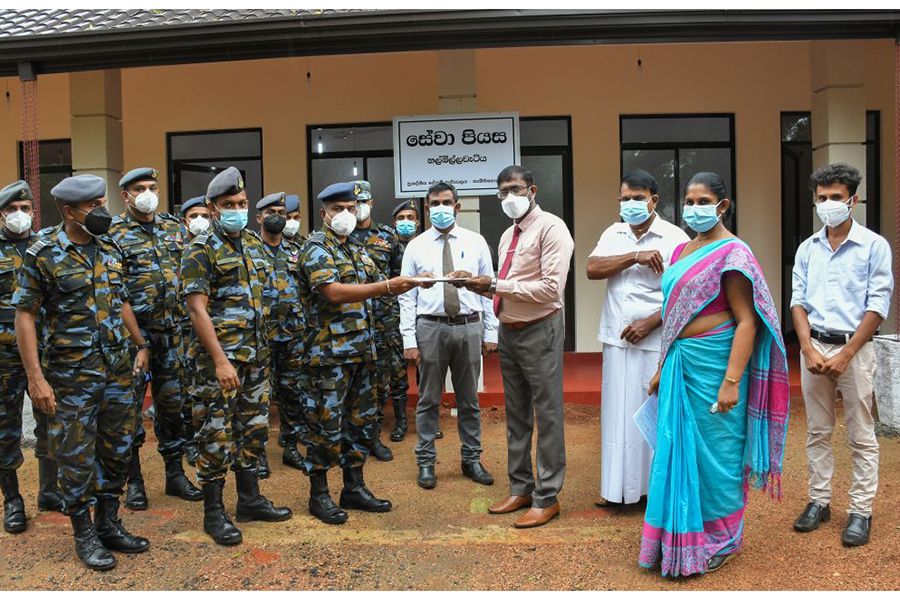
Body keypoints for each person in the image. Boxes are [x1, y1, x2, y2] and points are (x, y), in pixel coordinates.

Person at [639, 172, 789, 576]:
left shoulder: (734, 254)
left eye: (703, 201)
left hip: (716, 365)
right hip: (680, 363)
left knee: (718, 457)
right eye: (689, 201)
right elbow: (672, 316)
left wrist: (731, 381)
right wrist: (660, 367)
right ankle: (677, 539)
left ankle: (722, 540)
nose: (694, 209)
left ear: (722, 206)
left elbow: (747, 321)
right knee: (674, 451)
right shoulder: (680, 252)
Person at [14, 174, 152, 571]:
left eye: (102, 203)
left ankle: (108, 523)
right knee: (75, 456)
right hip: (72, 375)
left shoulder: (109, 247)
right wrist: (35, 377)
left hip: (117, 370)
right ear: (69, 211)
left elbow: (121, 299)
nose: (102, 212)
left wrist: (140, 343)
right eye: (93, 206)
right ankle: (84, 532)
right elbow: (25, 316)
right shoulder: (43, 253)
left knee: (117, 449)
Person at [296, 181, 420, 524]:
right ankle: (318, 495)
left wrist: (414, 280)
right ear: (324, 214)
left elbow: (382, 283)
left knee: (360, 424)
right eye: (339, 209)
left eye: (352, 208)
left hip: (363, 352)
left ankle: (353, 487)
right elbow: (333, 292)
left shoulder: (356, 248)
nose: (347, 215)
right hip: (328, 356)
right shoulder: (316, 248)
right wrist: (386, 286)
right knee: (325, 427)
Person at [181, 167, 292, 546]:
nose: (237, 210)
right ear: (212, 208)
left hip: (256, 357)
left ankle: (250, 500)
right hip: (219, 362)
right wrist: (220, 361)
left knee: (253, 429)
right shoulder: (199, 249)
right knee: (215, 434)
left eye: (242, 204)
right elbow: (197, 310)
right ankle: (214, 513)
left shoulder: (253, 244)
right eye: (229, 204)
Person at [464, 165, 574, 529]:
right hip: (510, 331)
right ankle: (521, 488)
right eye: (502, 192)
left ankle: (547, 497)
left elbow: (549, 290)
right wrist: (484, 287)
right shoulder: (509, 235)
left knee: (548, 413)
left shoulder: (552, 228)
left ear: (532, 189)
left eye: (515, 189)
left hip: (540, 329)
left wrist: (494, 285)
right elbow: (508, 283)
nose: (509, 198)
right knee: (517, 415)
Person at [790, 163, 893, 547]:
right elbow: (797, 302)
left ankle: (860, 511)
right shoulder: (807, 248)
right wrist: (807, 346)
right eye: (821, 198)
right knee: (817, 430)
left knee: (861, 433)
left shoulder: (874, 246)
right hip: (814, 348)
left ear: (852, 199)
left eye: (835, 197)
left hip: (856, 350)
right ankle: (820, 501)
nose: (828, 204)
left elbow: (878, 305)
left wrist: (847, 353)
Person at [586, 170, 689, 506]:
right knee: (616, 416)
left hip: (653, 339)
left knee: (649, 415)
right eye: (625, 198)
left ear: (654, 200)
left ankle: (649, 492)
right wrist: (633, 256)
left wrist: (650, 323)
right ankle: (617, 491)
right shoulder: (613, 232)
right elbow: (592, 269)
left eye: (637, 197)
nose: (630, 204)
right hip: (616, 340)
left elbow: (685, 295)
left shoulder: (674, 238)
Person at [109, 167, 201, 510]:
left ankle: (175, 475)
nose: (147, 192)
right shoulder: (114, 234)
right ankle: (135, 482)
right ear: (125, 195)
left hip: (172, 335)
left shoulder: (171, 227)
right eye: (139, 188)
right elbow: (117, 294)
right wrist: (139, 342)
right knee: (130, 412)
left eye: (152, 186)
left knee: (173, 408)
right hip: (134, 340)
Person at [399, 182, 498, 489]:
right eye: (434, 204)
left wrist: (491, 331)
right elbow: (406, 296)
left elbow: (488, 288)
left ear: (457, 207)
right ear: (427, 209)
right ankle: (426, 463)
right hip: (431, 327)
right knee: (428, 399)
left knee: (468, 400)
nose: (440, 208)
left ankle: (472, 459)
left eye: (446, 202)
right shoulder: (415, 246)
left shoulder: (477, 241)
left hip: (469, 326)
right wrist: (409, 340)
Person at [0, 180, 63, 534]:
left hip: (45, 349)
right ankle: (13, 500)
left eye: (26, 210)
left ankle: (49, 492)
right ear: (1, 214)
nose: (20, 216)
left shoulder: (47, 248)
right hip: (5, 354)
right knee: (5, 428)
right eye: (13, 210)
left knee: (50, 422)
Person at [348, 181, 404, 462]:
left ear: (371, 204)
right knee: (349, 384)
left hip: (382, 322)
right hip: (347, 325)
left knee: (380, 384)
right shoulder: (338, 238)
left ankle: (371, 437)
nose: (358, 208)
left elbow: (398, 275)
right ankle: (350, 440)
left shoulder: (387, 236)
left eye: (363, 202)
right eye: (352, 203)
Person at [255, 192, 306, 475]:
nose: (278, 216)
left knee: (292, 392)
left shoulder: (297, 250)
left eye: (281, 212)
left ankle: (290, 446)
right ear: (259, 217)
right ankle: (258, 452)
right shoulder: (248, 249)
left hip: (292, 334)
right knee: (260, 395)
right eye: (271, 211)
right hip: (259, 335)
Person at [393, 199, 443, 441]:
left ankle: (429, 422)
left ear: (418, 220)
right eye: (400, 218)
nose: (406, 223)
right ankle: (401, 423)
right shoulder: (386, 247)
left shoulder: (428, 244)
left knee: (427, 372)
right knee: (397, 373)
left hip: (425, 315)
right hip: (391, 316)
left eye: (410, 218)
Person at [178, 195, 211, 468]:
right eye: (195, 215)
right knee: (185, 392)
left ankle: (206, 442)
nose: (200, 220)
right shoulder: (174, 250)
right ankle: (190, 442)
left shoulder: (214, 249)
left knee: (204, 391)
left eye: (205, 215)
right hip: (177, 331)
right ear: (184, 221)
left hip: (206, 333)